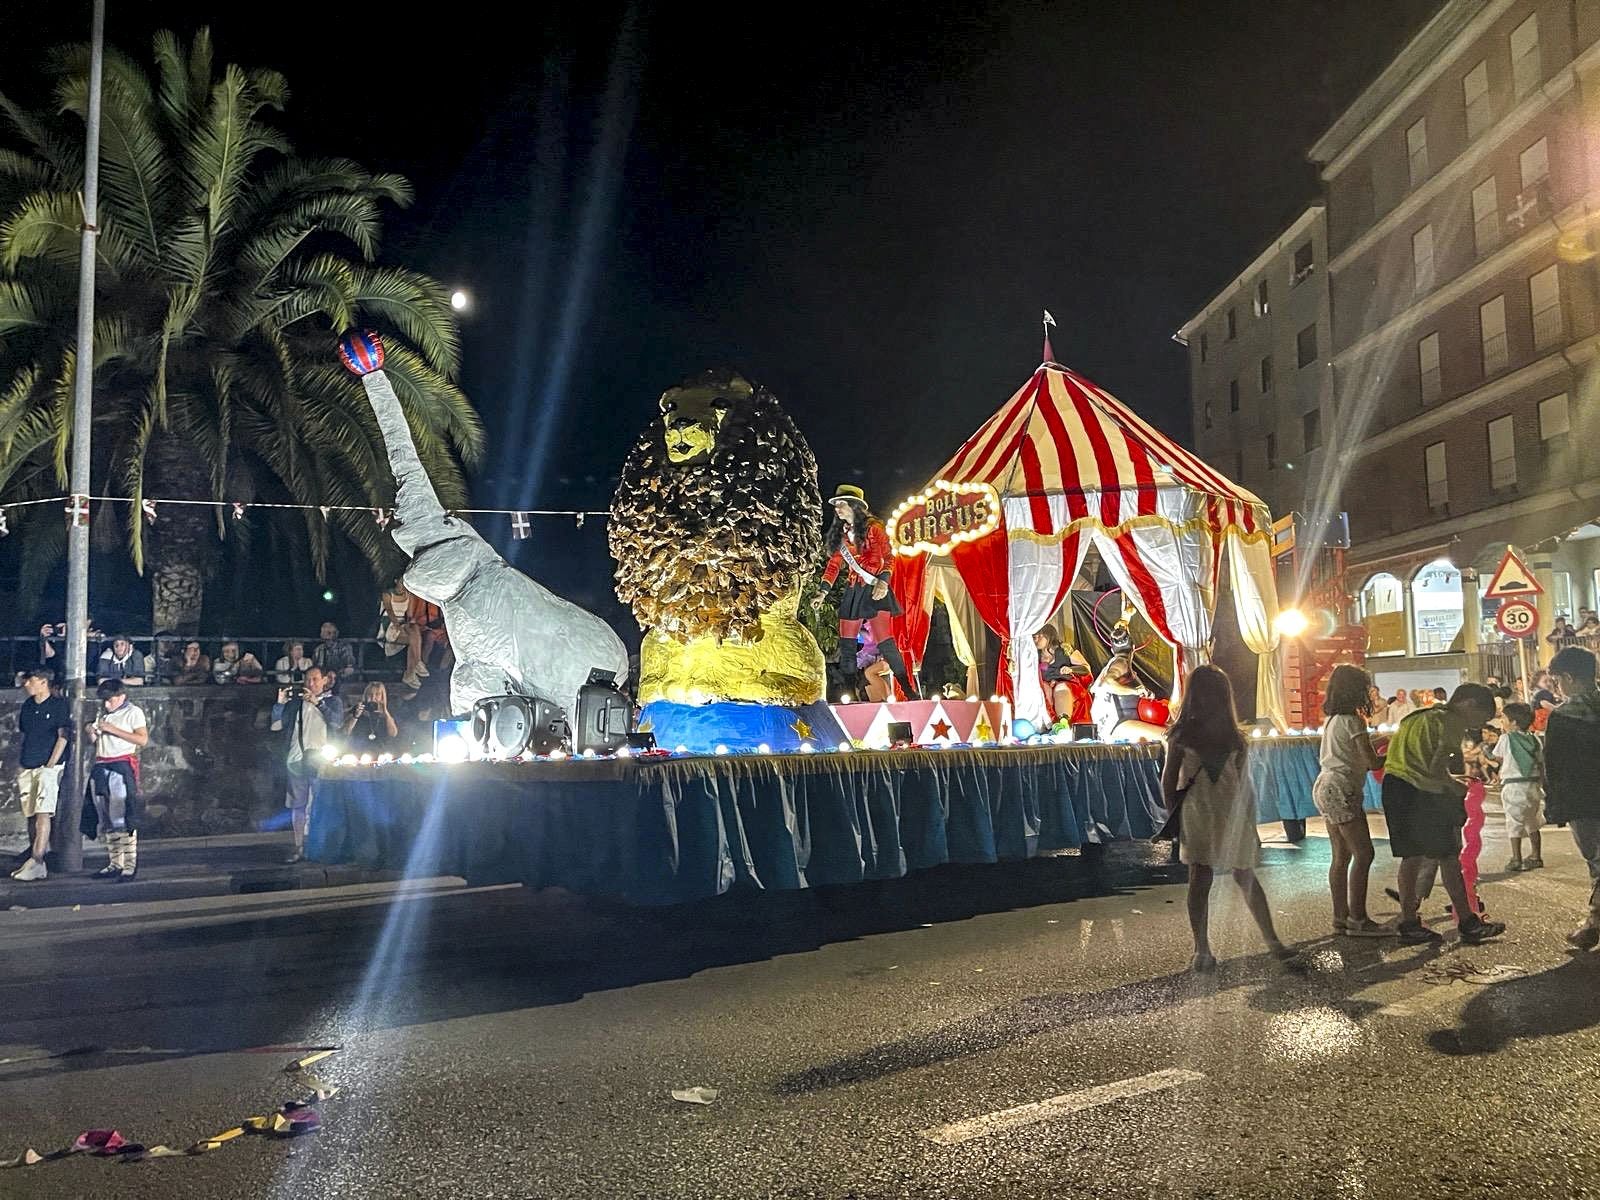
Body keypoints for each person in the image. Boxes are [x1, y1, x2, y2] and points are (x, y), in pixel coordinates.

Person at [1160, 664, 1294, 973]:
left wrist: (1173, 817)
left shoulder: (1182, 735)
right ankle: (1271, 941)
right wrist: (1250, 820)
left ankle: (1202, 950)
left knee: (1201, 879)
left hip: (1200, 812)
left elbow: (1168, 782)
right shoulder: (1234, 737)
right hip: (1230, 811)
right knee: (1242, 875)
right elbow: (1244, 783)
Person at [1380, 683, 1504, 944]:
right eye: (1480, 718)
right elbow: (1436, 769)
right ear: (1468, 705)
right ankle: (1469, 923)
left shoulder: (1418, 716)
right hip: (1422, 792)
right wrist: (1457, 786)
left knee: (1411, 857)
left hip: (1395, 787)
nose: (1479, 725)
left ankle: (1409, 923)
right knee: (1448, 858)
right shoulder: (1451, 722)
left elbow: (1419, 759)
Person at [812, 485, 917, 700]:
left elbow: (888, 557)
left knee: (885, 643)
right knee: (847, 645)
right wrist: (822, 592)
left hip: (874, 587)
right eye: (837, 505)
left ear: (854, 505)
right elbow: (834, 565)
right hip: (854, 590)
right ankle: (850, 694)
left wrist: (883, 582)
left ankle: (908, 690)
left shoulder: (874, 528)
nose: (837, 508)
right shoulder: (842, 536)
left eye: (841, 504)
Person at [1312, 666, 1388, 936]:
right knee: (1364, 853)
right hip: (1343, 788)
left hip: (1325, 784)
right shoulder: (1354, 720)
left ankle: (1340, 916)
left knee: (1340, 857)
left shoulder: (1332, 720)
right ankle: (1359, 919)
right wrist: (1391, 751)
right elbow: (1370, 761)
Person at [1544, 646, 1600, 949]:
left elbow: (1554, 766)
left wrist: (1554, 805)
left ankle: (1592, 925)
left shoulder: (1563, 717)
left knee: (1597, 862)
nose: (1557, 687)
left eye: (1556, 681)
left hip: (1584, 801)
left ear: (1567, 677)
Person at [271, 666, 345, 864]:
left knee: (322, 803)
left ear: (324, 681)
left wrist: (318, 703)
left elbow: (337, 723)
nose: (310, 684)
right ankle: (299, 846)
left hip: (321, 760)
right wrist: (279, 705)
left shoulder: (333, 701)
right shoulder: (297, 704)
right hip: (296, 759)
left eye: (314, 680)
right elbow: (276, 726)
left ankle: (321, 846)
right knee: (298, 805)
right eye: (307, 680)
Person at [85, 678, 149, 880]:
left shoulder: (133, 712)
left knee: (121, 816)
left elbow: (142, 739)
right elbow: (98, 742)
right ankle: (115, 863)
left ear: (121, 697)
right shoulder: (105, 714)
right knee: (107, 818)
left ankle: (129, 865)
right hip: (102, 764)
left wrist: (113, 730)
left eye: (109, 700)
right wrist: (92, 732)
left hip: (120, 766)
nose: (106, 704)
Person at [10, 669, 71, 881]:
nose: (27, 684)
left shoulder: (58, 706)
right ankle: (34, 853)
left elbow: (63, 736)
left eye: (32, 681)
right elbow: (26, 733)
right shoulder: (28, 706)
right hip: (29, 763)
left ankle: (38, 859)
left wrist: (51, 763)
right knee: (31, 812)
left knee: (43, 811)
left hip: (48, 766)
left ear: (43, 682)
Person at [1492, 702, 1544, 873]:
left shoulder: (1506, 738)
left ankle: (1516, 858)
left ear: (1513, 722)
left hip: (1513, 786)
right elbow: (1540, 761)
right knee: (1532, 821)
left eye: (1504, 719)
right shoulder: (1535, 738)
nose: (1502, 722)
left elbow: (1498, 758)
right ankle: (1536, 856)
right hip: (1533, 785)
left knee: (1514, 822)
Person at [1090, 654, 1167, 742]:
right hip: (1116, 724)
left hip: (1114, 725)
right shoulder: (1120, 662)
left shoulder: (1121, 667)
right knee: (1170, 737)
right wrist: (1135, 691)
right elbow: (1107, 684)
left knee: (1176, 731)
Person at [1033, 623, 1092, 726]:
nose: (1036, 639)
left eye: (1039, 636)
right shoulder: (1034, 656)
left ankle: (1063, 722)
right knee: (1043, 688)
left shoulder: (1065, 649)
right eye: (1034, 637)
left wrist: (1071, 669)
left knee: (1061, 687)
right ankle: (1048, 724)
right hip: (1047, 688)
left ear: (1049, 635)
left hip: (1068, 685)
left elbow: (1085, 668)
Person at [378, 580, 429, 691]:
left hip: (402, 623)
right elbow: (390, 611)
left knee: (415, 628)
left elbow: (409, 615)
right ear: (396, 581)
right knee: (412, 639)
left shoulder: (408, 595)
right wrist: (398, 626)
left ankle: (416, 664)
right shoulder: (387, 594)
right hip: (390, 624)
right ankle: (412, 669)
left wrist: (409, 624)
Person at [343, 681, 399, 748]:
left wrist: (385, 712)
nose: (373, 698)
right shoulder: (358, 709)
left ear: (382, 697)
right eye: (370, 694)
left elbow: (393, 734)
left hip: (382, 749)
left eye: (377, 694)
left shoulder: (389, 711)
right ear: (366, 696)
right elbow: (346, 731)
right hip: (360, 748)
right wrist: (356, 716)